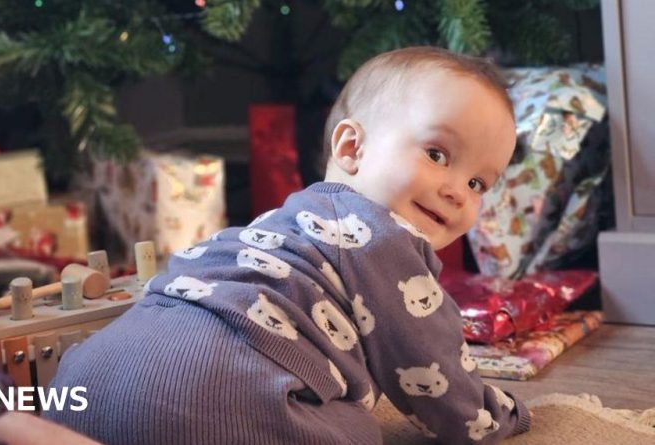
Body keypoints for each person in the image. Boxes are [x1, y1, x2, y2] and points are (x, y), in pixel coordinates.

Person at [45, 46, 531, 444]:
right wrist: (503, 416)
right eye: (437, 154)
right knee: (357, 430)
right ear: (351, 149)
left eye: (478, 184)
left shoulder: (281, 221)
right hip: (215, 400)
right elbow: (435, 372)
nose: (456, 191)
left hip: (88, 381)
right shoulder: (386, 240)